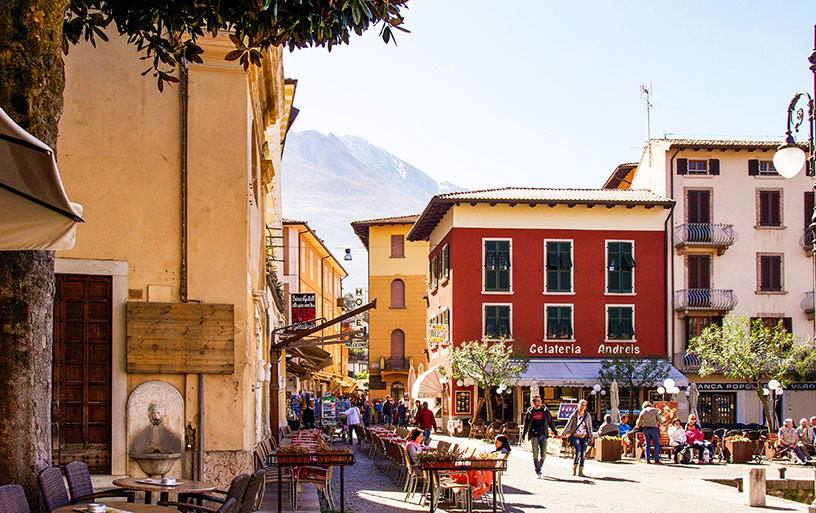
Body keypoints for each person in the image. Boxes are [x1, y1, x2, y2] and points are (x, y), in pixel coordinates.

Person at [521, 395, 559, 477]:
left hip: (543, 434)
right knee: (535, 453)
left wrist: (555, 433)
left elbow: (551, 422)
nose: (539, 402)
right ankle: (537, 470)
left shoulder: (545, 411)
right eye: (537, 401)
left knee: (544, 454)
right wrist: (523, 435)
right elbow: (526, 425)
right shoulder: (530, 412)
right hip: (534, 434)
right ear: (533, 402)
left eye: (540, 401)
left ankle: (539, 465)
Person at [561, 399, 593, 477]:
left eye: (584, 405)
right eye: (581, 404)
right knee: (578, 452)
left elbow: (590, 426)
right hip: (576, 436)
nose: (583, 406)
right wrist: (562, 433)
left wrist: (591, 436)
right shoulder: (574, 415)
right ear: (578, 405)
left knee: (583, 453)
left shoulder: (587, 416)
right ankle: (574, 467)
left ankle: (580, 471)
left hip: (584, 436)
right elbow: (568, 425)